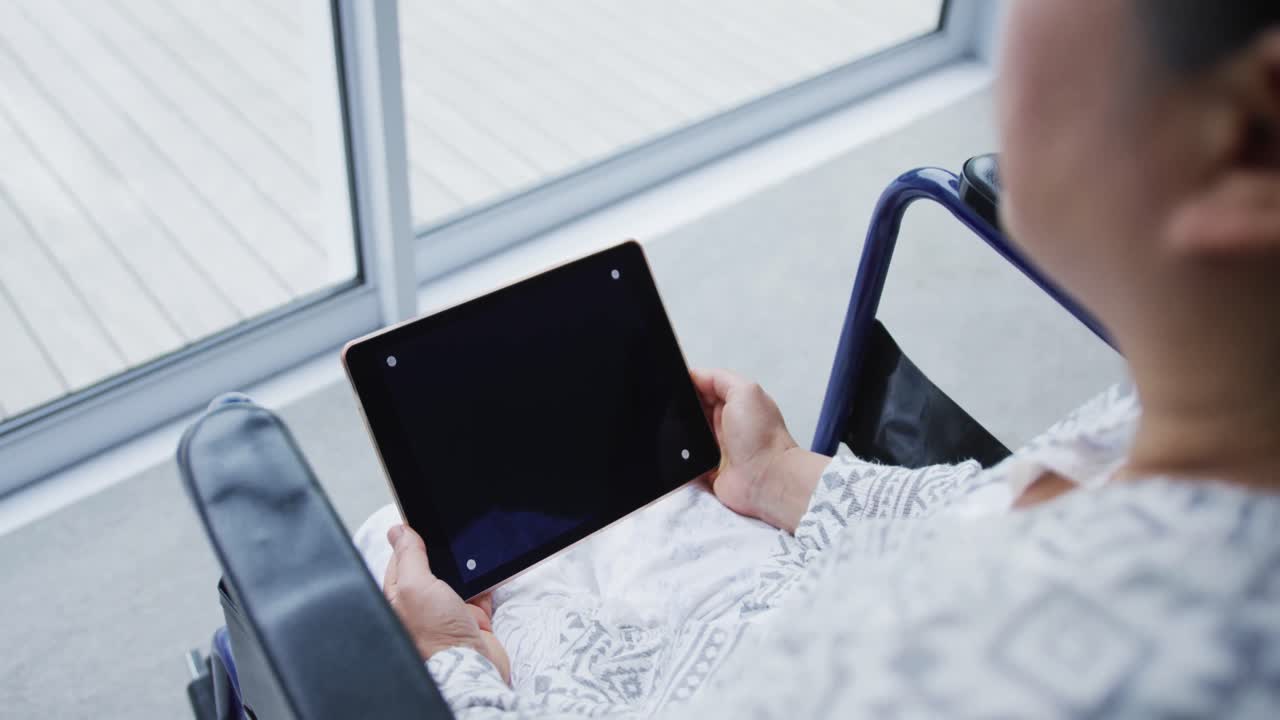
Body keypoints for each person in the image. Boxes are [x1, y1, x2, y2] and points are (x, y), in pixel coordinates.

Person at [361, 1, 1280, 716]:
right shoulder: (1180, 423)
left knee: (399, 539)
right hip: (808, 572)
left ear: (1246, 136)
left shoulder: (946, 675)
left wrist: (453, 669)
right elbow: (982, 514)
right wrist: (785, 477)